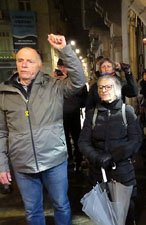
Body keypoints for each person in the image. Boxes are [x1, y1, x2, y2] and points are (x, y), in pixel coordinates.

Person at [0, 34, 86, 225]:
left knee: (61, 205)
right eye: (20, 60)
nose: (24, 64)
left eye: (29, 61)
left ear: (39, 66)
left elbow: (79, 80)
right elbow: (1, 132)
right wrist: (2, 164)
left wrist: (65, 49)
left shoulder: (53, 86)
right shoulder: (4, 93)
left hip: (53, 159)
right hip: (22, 163)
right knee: (32, 211)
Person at [78, 75, 142, 225]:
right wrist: (97, 158)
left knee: (126, 211)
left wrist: (113, 157)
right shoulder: (92, 114)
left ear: (117, 90)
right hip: (98, 172)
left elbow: (135, 140)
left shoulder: (127, 112)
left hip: (123, 170)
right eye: (101, 87)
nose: (104, 90)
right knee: (104, 213)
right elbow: (83, 141)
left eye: (108, 87)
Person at [53, 58, 88, 172]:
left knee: (77, 137)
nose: (62, 69)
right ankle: (68, 160)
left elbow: (83, 98)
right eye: (60, 67)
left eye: (64, 67)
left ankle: (79, 159)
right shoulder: (54, 81)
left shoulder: (75, 81)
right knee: (64, 139)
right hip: (59, 115)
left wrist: (66, 82)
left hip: (73, 114)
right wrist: (54, 82)